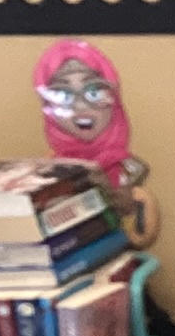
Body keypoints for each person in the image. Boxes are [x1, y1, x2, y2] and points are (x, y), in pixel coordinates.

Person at [34, 38, 158, 247]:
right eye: (63, 95)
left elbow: (140, 235)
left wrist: (122, 196)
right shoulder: (52, 167)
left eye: (94, 91)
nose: (80, 106)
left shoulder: (127, 167)